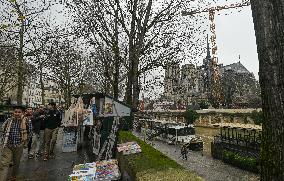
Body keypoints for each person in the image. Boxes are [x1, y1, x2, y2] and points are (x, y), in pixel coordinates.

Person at [0, 105, 33, 181]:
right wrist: (2, 142)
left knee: (16, 162)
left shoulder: (27, 121)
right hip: (7, 145)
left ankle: (14, 175)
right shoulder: (8, 120)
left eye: (19, 112)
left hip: (18, 146)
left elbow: (30, 133)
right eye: (15, 112)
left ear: (22, 113)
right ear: (13, 112)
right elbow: (3, 131)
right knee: (4, 164)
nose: (17, 113)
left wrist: (23, 142)